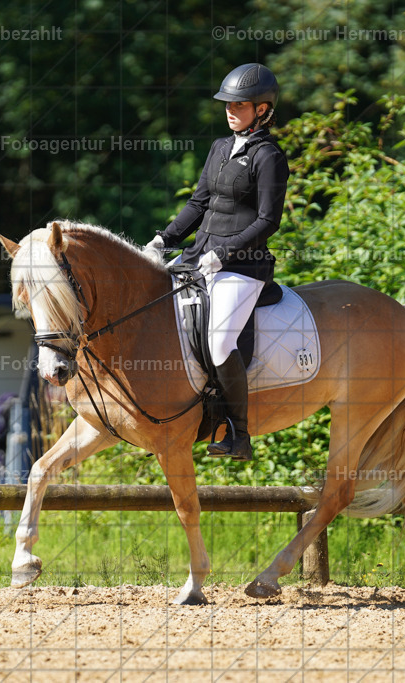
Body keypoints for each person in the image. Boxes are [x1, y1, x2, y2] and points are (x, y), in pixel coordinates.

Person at [145, 63, 290, 460]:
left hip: (244, 266)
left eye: (239, 105)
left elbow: (267, 220)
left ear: (262, 109)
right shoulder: (221, 148)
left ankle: (238, 435)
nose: (229, 110)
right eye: (227, 103)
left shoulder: (270, 156)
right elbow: (199, 203)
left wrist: (225, 253)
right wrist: (164, 239)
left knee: (220, 339)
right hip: (200, 256)